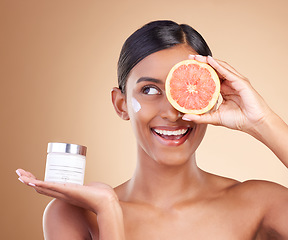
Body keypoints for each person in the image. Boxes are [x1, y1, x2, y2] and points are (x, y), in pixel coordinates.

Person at [16, 20, 288, 240]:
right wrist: (108, 210)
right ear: (121, 104)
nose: (171, 112)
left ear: (209, 95)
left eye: (185, 88)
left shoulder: (260, 204)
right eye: (149, 90)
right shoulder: (74, 214)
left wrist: (261, 120)